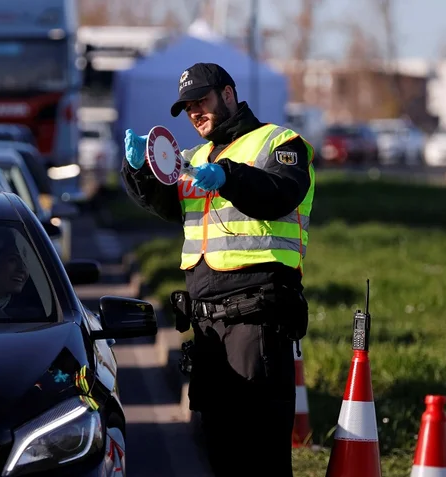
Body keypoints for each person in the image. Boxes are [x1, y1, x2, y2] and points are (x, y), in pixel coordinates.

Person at [121, 63, 315, 476]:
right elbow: (169, 206)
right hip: (208, 328)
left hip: (257, 319)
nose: (195, 112)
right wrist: (139, 169)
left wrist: (228, 176)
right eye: (188, 107)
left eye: (202, 101)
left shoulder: (280, 142)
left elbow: (278, 194)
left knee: (259, 455)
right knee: (220, 452)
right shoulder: (194, 158)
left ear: (228, 94)